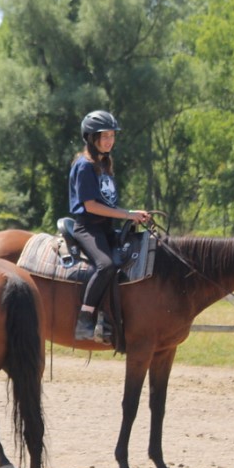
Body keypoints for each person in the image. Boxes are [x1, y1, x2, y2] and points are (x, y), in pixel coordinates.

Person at [69, 110, 150, 341]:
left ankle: (110, 316)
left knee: (132, 252)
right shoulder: (85, 166)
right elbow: (91, 205)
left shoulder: (104, 163)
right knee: (105, 265)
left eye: (112, 136)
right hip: (88, 228)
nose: (109, 141)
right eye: (104, 136)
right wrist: (126, 214)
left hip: (105, 227)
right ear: (91, 138)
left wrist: (132, 214)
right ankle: (85, 318)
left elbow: (107, 202)